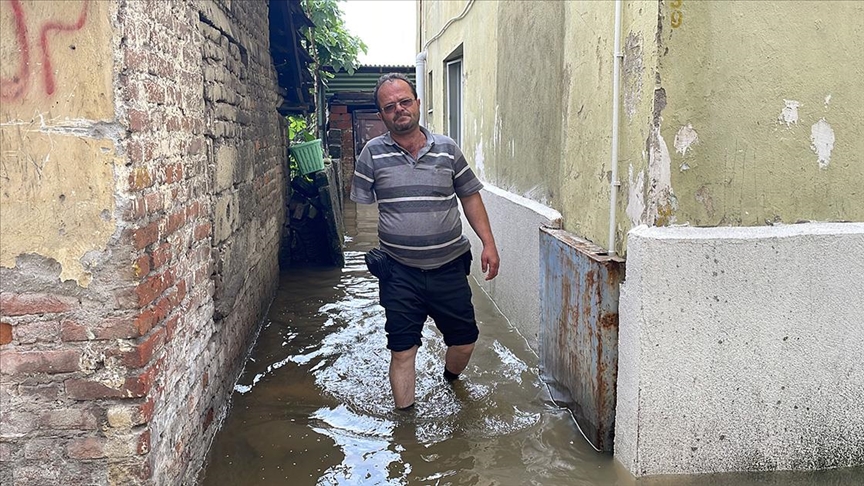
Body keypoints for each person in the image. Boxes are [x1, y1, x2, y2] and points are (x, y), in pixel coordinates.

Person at [350, 73, 500, 411]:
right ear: (382, 115)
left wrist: (488, 243)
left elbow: (470, 197)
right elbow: (360, 211)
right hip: (399, 271)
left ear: (417, 104)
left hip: (449, 266)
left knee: (464, 342)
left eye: (405, 102)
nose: (399, 110)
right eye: (389, 107)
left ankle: (449, 380)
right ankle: (406, 428)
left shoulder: (447, 149)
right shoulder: (371, 155)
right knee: (403, 350)